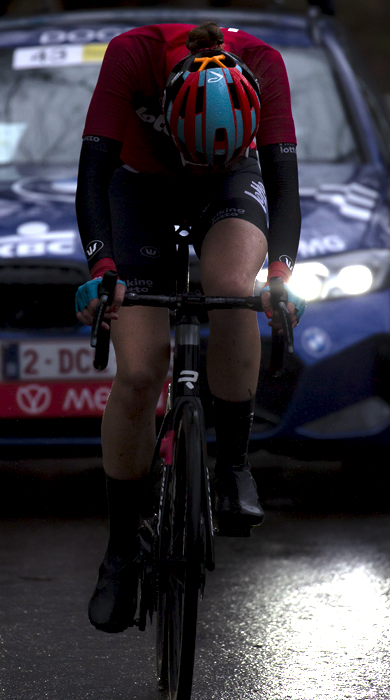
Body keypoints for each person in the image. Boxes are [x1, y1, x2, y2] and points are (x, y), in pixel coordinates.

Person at [74, 21, 305, 633]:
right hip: (141, 189)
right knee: (141, 367)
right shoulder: (131, 56)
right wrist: (102, 267)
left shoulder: (265, 62)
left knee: (233, 290)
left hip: (233, 183)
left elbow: (284, 187)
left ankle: (231, 463)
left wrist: (279, 272)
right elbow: (92, 175)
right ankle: (122, 551)